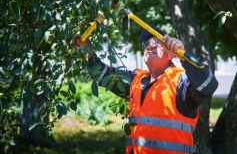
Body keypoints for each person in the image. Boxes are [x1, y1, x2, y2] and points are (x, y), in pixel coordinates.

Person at [71, 26, 218, 154]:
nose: (150, 46)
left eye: (158, 42)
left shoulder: (182, 82)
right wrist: (88, 52)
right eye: (147, 43)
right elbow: (102, 75)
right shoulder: (135, 79)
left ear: (172, 53)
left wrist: (185, 57)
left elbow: (209, 85)